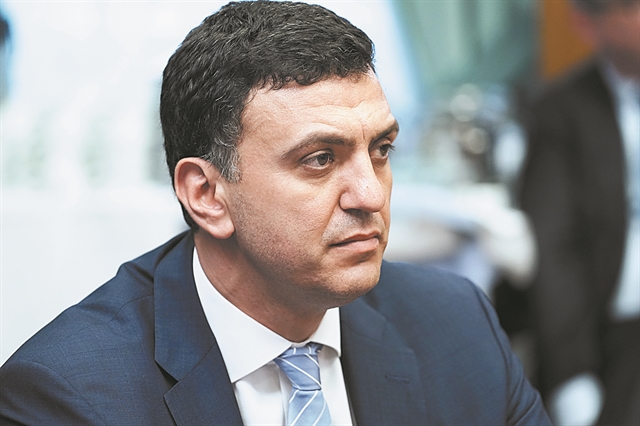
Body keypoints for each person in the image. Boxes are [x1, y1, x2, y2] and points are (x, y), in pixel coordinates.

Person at [0, 2, 550, 424]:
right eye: (320, 159)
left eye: (380, 150)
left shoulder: (455, 324)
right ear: (206, 194)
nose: (370, 194)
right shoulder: (70, 394)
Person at [518, 0, 640, 424]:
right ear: (587, 23)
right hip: (615, 333)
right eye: (630, 7)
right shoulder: (560, 112)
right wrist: (573, 374)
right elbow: (555, 248)